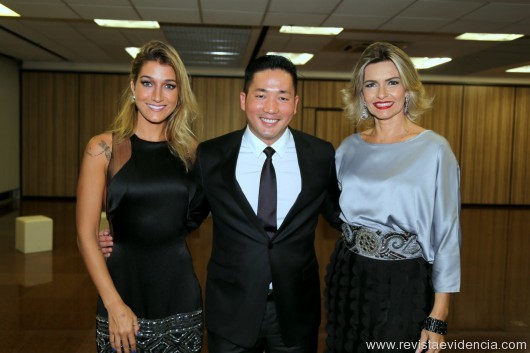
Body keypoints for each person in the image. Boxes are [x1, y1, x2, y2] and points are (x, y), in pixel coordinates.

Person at [100, 54, 342, 353]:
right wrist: (122, 236)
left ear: (295, 104)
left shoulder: (319, 155)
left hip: (296, 314)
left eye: (282, 97)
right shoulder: (212, 156)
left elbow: (340, 215)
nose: (270, 108)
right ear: (243, 100)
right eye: (260, 95)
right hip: (230, 313)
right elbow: (184, 219)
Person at [324, 42, 461, 353]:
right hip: (348, 274)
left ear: (408, 91)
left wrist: (439, 315)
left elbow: (447, 234)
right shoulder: (348, 148)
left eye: (392, 82)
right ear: (361, 95)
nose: (382, 94)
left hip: (404, 279)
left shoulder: (435, 150)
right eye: (371, 85)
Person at [76, 40, 203, 353]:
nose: (157, 96)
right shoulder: (103, 148)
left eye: (168, 86)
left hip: (180, 297)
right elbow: (84, 233)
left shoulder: (192, 153)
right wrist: (114, 304)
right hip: (121, 294)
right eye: (148, 83)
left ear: (179, 94)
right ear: (133, 87)